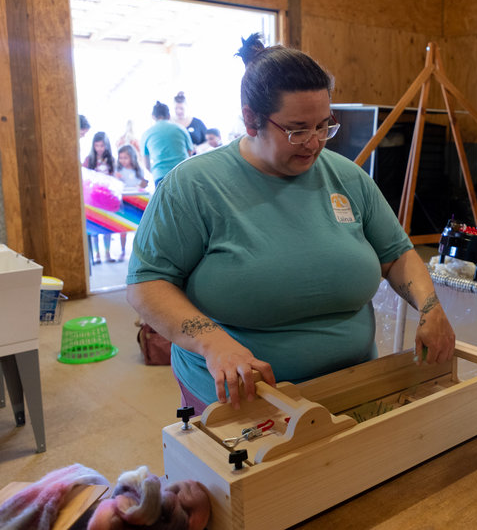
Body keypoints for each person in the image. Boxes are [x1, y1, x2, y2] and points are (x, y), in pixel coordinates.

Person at [126, 33, 455, 411]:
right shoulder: (193, 186)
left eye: (324, 126)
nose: (314, 143)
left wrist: (430, 307)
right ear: (251, 120)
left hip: (352, 382)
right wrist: (213, 343)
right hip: (245, 396)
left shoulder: (347, 178)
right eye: (297, 129)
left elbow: (396, 255)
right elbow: (147, 284)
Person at [82, 131, 118, 263]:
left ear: (107, 145)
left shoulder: (111, 160)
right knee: (95, 227)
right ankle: (97, 255)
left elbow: (115, 176)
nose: (99, 149)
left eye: (102, 146)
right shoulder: (89, 160)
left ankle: (108, 253)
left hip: (107, 198)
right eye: (97, 146)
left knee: (107, 226)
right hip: (93, 199)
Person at [140, 101, 192, 187]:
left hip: (160, 175)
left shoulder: (146, 134)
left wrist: (156, 172)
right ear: (169, 116)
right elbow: (189, 153)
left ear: (153, 117)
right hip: (183, 173)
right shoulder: (181, 129)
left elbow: (146, 164)